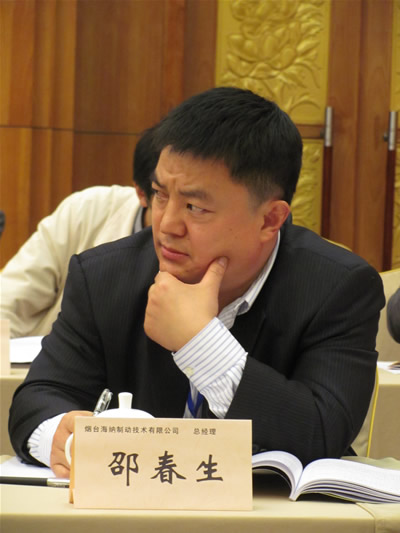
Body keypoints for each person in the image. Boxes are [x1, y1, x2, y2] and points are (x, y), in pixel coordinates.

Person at [9, 87, 384, 478]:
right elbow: (36, 401)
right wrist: (61, 434)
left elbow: (324, 431)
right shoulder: (103, 275)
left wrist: (200, 342)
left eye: (195, 207)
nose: (167, 225)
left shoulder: (338, 288)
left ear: (270, 219)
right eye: (160, 195)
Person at [0, 126, 159, 338]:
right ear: (141, 192)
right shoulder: (86, 210)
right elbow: (11, 298)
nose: (176, 219)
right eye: (163, 194)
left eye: (193, 204)